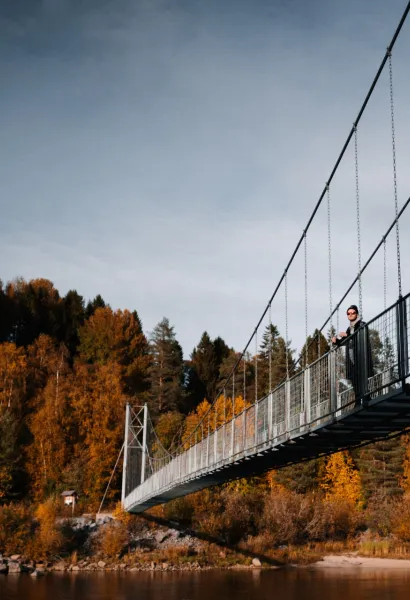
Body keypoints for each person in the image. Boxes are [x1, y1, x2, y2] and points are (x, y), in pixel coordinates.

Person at [332, 304, 373, 405]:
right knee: (354, 380)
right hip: (351, 359)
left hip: (361, 357)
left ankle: (367, 398)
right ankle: (358, 400)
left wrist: (347, 335)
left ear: (357, 314)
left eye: (353, 313)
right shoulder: (348, 329)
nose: (350, 315)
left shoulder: (362, 324)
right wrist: (336, 341)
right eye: (348, 313)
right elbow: (345, 341)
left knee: (363, 377)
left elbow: (359, 335)